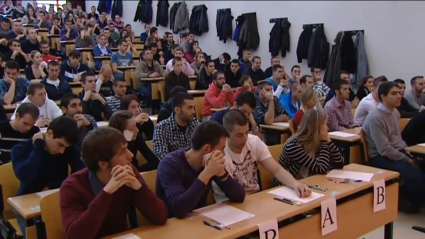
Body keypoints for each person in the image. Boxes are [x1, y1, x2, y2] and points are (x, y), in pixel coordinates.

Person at [60, 127, 168, 239]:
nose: (131, 155)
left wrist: (140, 188)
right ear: (103, 164)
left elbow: (161, 217)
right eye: (123, 151)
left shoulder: (128, 171)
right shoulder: (72, 186)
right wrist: (106, 192)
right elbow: (74, 236)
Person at [212, 109, 310, 203]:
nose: (245, 138)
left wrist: (295, 184)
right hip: (230, 203)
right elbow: (232, 194)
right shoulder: (220, 155)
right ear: (226, 134)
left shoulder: (254, 142)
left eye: (246, 132)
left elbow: (276, 170)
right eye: (239, 135)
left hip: (255, 198)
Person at [11, 116, 85, 237]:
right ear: (49, 133)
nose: (62, 151)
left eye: (65, 147)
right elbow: (26, 177)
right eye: (60, 145)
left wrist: (51, 186)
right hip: (27, 201)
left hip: (58, 198)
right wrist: (38, 147)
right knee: (39, 231)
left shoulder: (68, 149)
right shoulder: (21, 149)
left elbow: (81, 175)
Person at [156, 121, 245, 218]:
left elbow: (239, 196)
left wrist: (222, 174)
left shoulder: (209, 160)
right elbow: (179, 209)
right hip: (172, 225)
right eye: (222, 149)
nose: (223, 154)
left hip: (200, 219)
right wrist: (207, 173)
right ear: (207, 149)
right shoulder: (169, 164)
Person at [363, 82, 425, 213]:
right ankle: (406, 200)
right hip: (381, 157)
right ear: (383, 96)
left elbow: (398, 140)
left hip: (398, 152)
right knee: (417, 177)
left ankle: (415, 200)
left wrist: (409, 154)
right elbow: (384, 149)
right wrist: (408, 160)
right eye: (394, 93)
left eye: (399, 93)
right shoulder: (376, 118)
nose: (399, 96)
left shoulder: (395, 112)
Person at [279, 109, 344, 178]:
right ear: (316, 129)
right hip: (287, 185)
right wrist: (324, 141)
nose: (328, 128)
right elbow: (322, 169)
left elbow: (340, 163)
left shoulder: (315, 141)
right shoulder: (294, 146)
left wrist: (329, 141)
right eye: (325, 125)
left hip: (306, 182)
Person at [153, 92, 200, 160]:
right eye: (189, 108)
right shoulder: (161, 128)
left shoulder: (196, 124)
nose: (193, 111)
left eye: (193, 107)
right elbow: (162, 155)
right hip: (173, 168)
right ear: (177, 110)